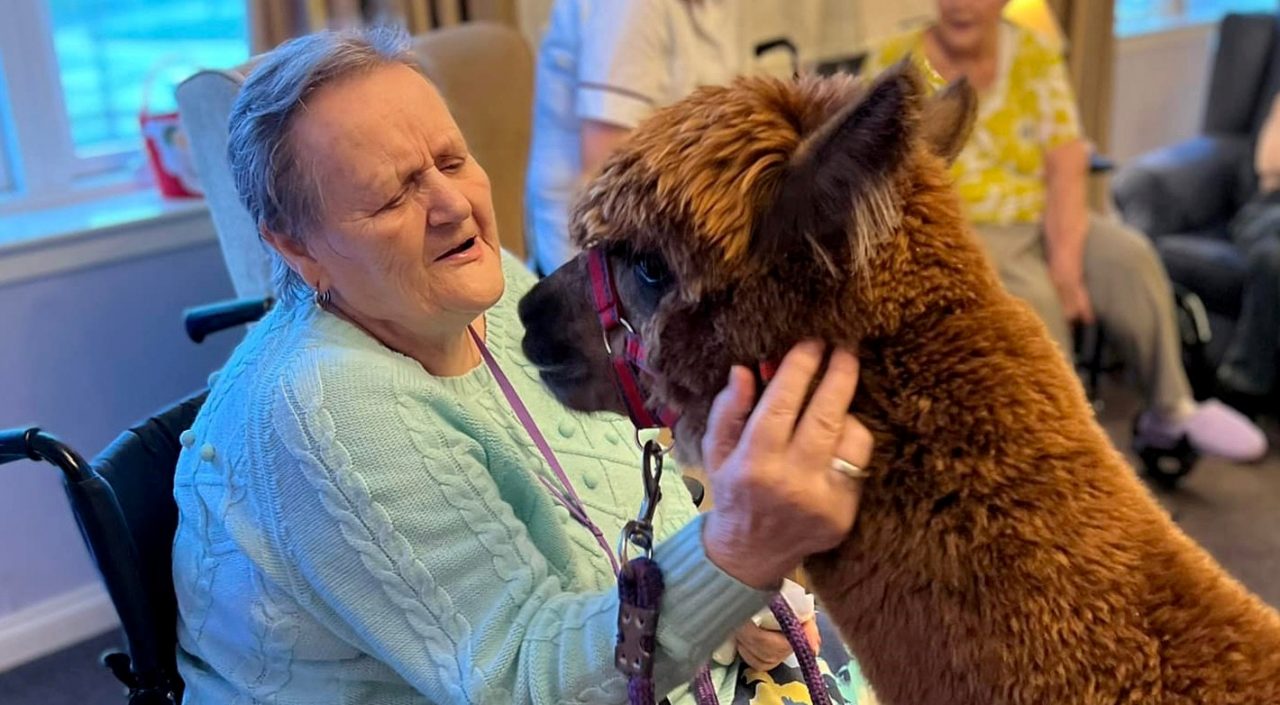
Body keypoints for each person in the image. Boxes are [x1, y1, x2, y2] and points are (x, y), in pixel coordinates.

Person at [172, 27, 872, 705]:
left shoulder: (490, 287)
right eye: (393, 195)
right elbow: (526, 680)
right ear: (297, 247)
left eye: (452, 161)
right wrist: (735, 554)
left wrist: (731, 595)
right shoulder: (328, 411)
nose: (452, 207)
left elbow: (616, 500)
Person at [865, 0, 1268, 463]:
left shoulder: (1033, 53)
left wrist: (1068, 262)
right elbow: (877, 177)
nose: (961, 4)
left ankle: (1171, 407)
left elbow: (1065, 161)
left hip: (1037, 213)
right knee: (1038, 304)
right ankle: (1068, 447)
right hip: (963, 225)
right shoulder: (896, 63)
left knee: (1130, 255)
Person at [525, 0, 805, 275]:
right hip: (600, 258)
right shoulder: (628, 9)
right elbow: (607, 181)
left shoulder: (716, 7)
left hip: (665, 222)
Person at [1212, 93, 1280, 413]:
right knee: (1270, 257)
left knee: (1272, 257)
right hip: (1268, 210)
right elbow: (1270, 162)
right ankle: (1243, 383)